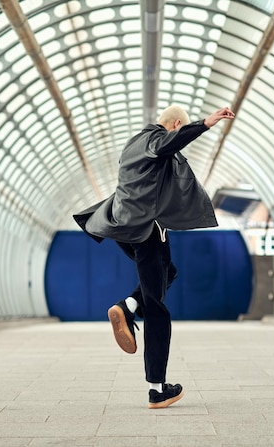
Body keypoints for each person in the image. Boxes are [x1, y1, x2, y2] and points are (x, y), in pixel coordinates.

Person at [73, 105, 235, 409]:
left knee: (167, 274)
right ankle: (157, 389)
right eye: (178, 129)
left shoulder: (132, 142)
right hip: (147, 228)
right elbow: (169, 144)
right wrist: (206, 123)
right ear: (174, 124)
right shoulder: (156, 140)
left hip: (122, 226)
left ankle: (129, 305)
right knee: (158, 308)